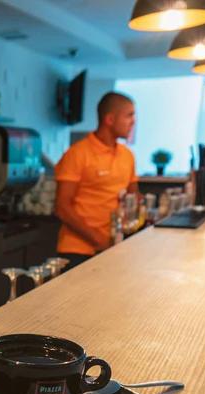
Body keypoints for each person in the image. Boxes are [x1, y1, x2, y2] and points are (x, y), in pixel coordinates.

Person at [54, 92, 138, 269]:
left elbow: (133, 195)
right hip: (78, 250)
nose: (133, 121)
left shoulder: (127, 155)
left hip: (114, 245)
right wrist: (97, 239)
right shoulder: (78, 153)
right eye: (129, 115)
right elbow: (62, 207)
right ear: (109, 119)